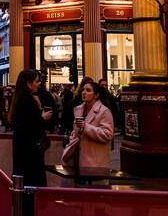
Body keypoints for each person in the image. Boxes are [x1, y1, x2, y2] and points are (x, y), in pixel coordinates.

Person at [10, 70, 53, 214]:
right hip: (30, 153)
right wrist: (43, 118)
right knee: (31, 185)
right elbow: (30, 126)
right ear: (28, 83)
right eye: (36, 81)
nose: (39, 84)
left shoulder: (21, 99)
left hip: (23, 150)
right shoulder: (27, 101)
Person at [62, 80, 114, 170]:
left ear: (96, 95)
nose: (84, 93)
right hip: (77, 158)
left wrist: (86, 127)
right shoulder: (79, 110)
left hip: (95, 160)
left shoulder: (104, 111)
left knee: (93, 183)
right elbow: (75, 132)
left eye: (88, 90)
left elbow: (108, 134)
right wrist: (72, 140)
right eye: (83, 90)